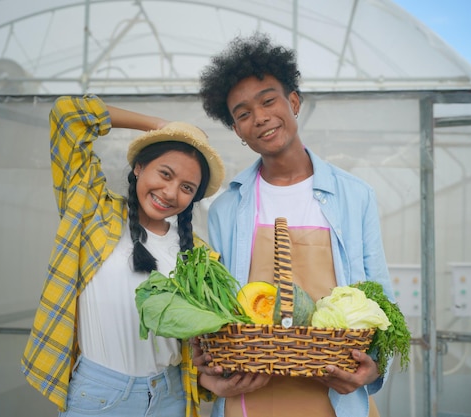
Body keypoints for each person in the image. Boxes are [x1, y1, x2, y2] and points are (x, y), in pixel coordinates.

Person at [192, 32, 395, 417]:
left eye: (268, 101)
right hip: (249, 395)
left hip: (336, 392)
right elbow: (216, 311)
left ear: (294, 102)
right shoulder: (226, 208)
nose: (261, 118)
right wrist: (205, 367)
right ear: (236, 130)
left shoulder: (355, 196)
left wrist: (373, 368)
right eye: (243, 113)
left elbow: (380, 293)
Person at [21, 94, 224, 417]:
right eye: (165, 174)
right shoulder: (93, 212)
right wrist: (159, 127)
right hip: (101, 395)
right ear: (139, 167)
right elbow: (67, 115)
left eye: (187, 188)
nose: (170, 193)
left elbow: (204, 338)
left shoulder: (199, 255)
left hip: (171, 396)